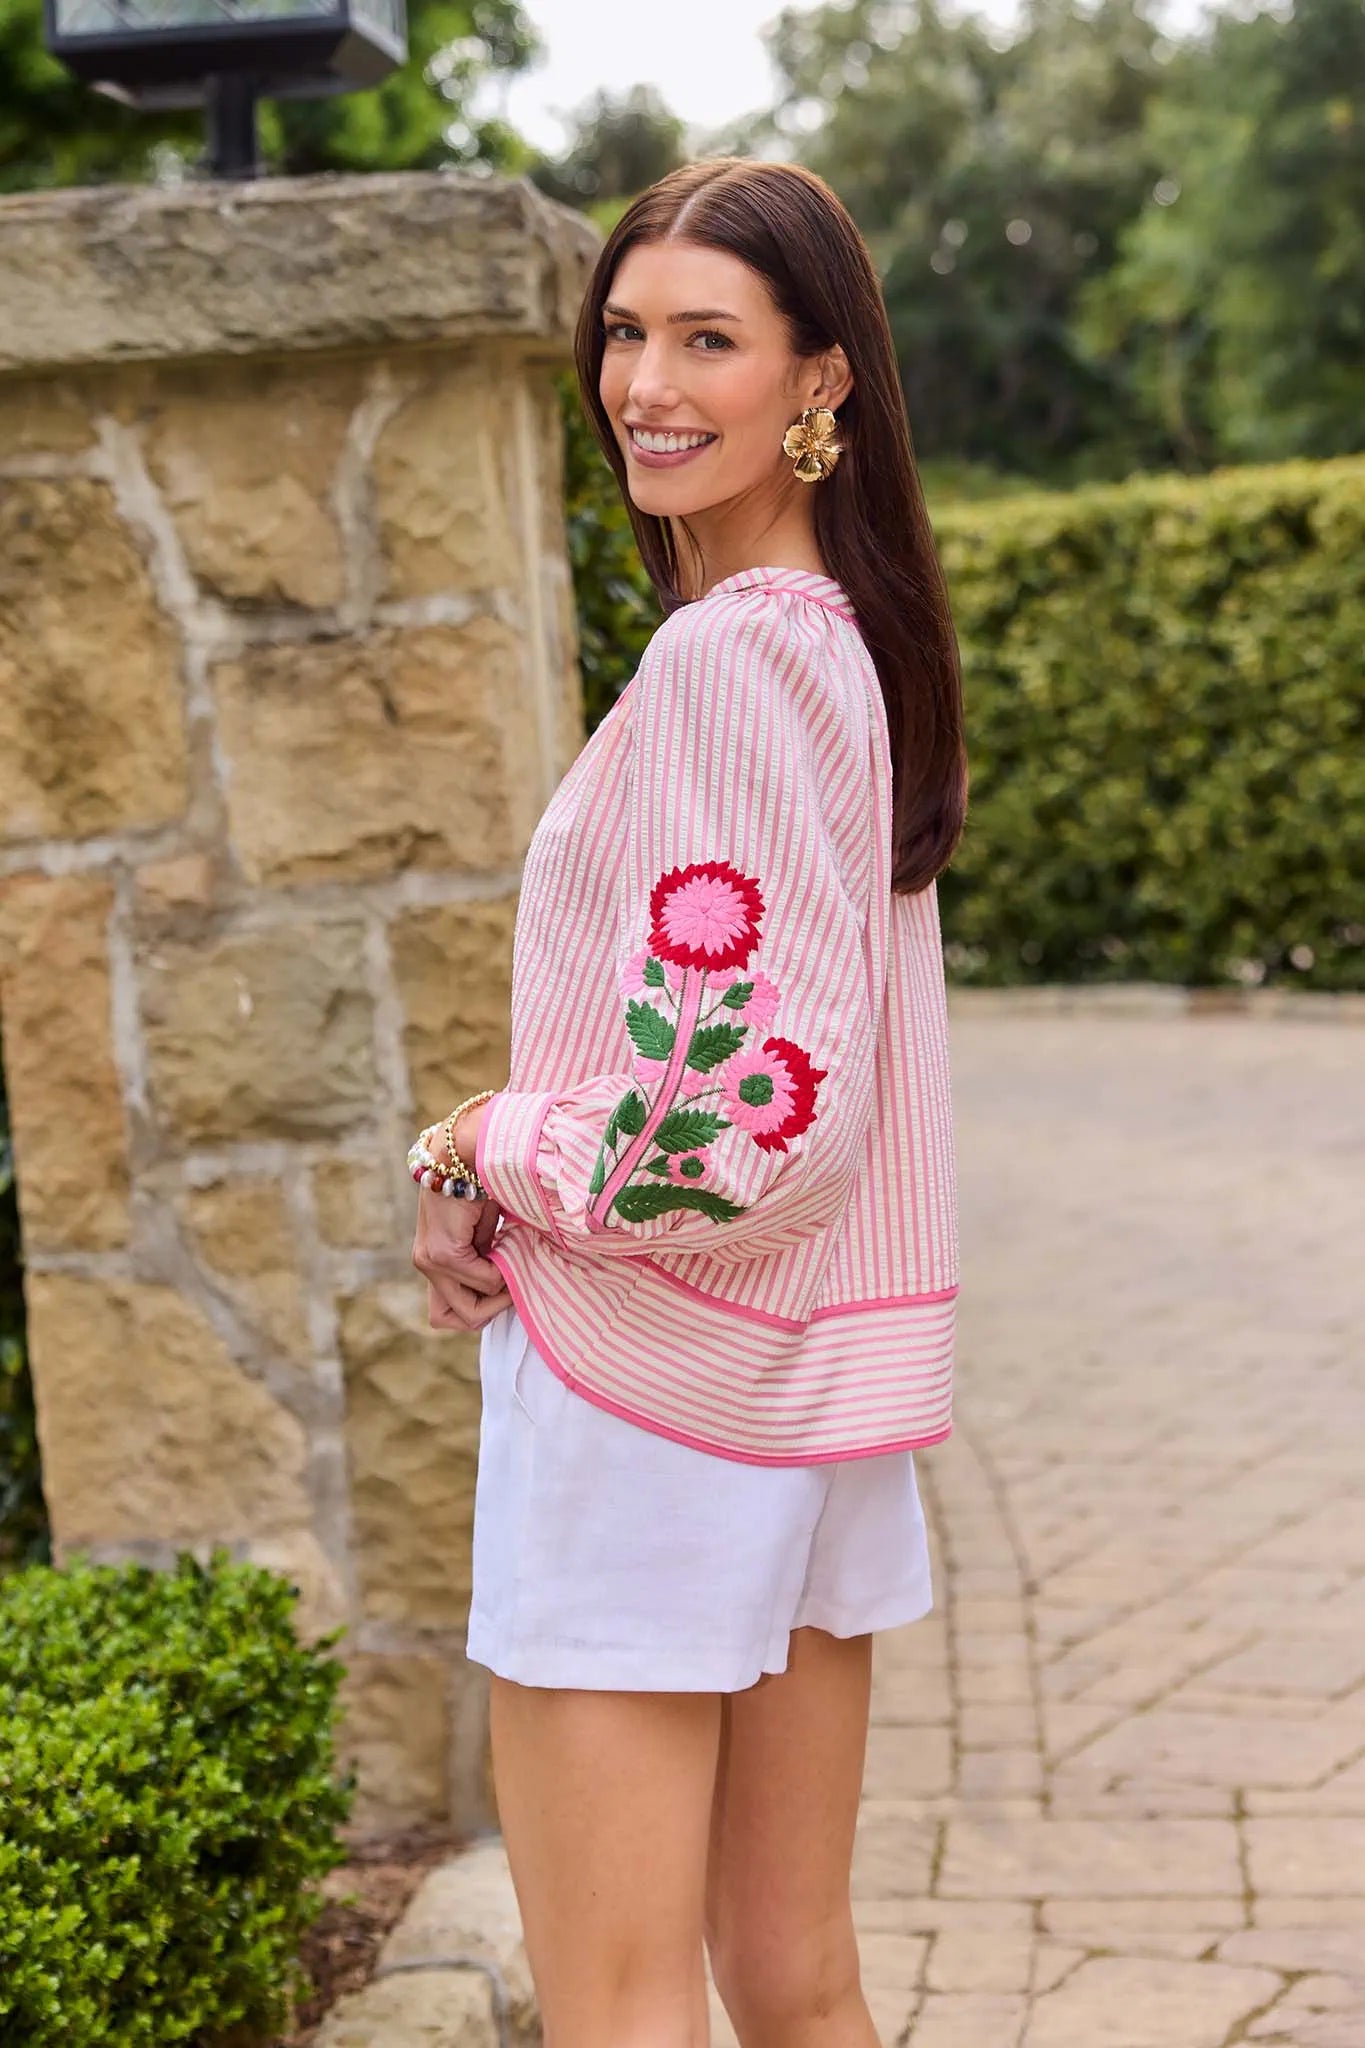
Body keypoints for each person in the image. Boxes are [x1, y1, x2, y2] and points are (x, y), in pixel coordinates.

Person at [409, 156, 966, 2048]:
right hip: (804, 1405)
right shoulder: (841, 644)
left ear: (817, 380)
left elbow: (737, 1122)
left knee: (622, 2006)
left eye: (707, 339)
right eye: (626, 331)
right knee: (794, 1984)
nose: (646, 382)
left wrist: (482, 1144)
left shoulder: (731, 656)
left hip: (658, 1398)